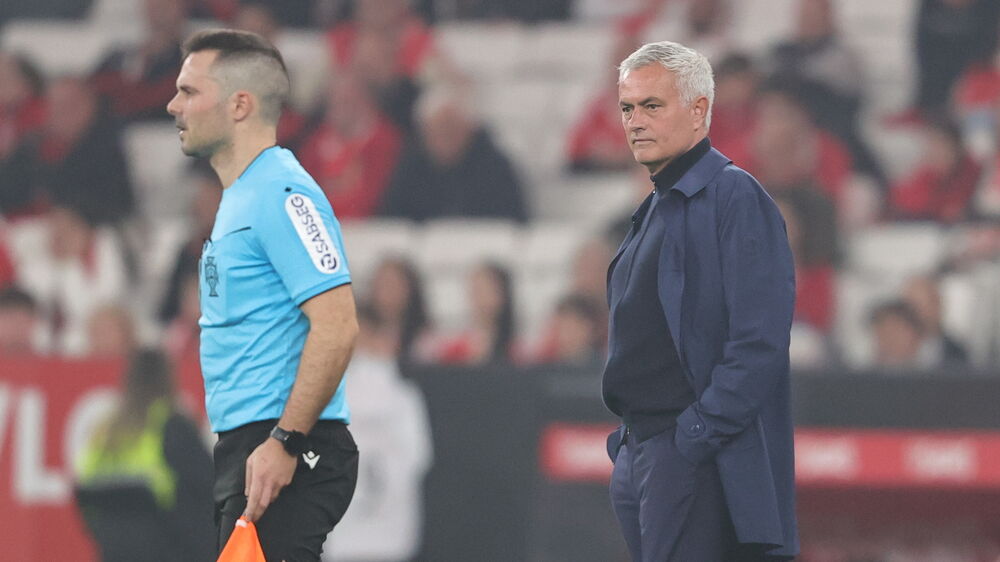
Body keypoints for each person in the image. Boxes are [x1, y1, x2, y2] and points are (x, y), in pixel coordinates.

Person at [166, 29, 360, 560]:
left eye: (188, 91)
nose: (172, 104)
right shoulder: (243, 197)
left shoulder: (281, 193)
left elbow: (338, 325)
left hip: (286, 448)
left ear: (239, 104)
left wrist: (286, 441)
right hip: (252, 447)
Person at [605, 41, 798, 560]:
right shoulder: (655, 205)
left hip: (686, 451)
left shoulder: (736, 196)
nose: (635, 122)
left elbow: (759, 343)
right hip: (643, 449)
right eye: (628, 108)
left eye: (652, 105)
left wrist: (692, 436)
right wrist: (630, 445)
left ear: (698, 111)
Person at [74, 348, 215, 562]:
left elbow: (86, 494)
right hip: (166, 548)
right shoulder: (171, 425)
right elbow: (207, 488)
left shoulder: (104, 431)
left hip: (114, 550)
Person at [378, 86, 529, 222]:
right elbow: (393, 221)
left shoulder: (495, 168)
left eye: (451, 127)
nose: (445, 135)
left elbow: (512, 219)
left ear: (469, 128)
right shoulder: (409, 170)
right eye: (437, 129)